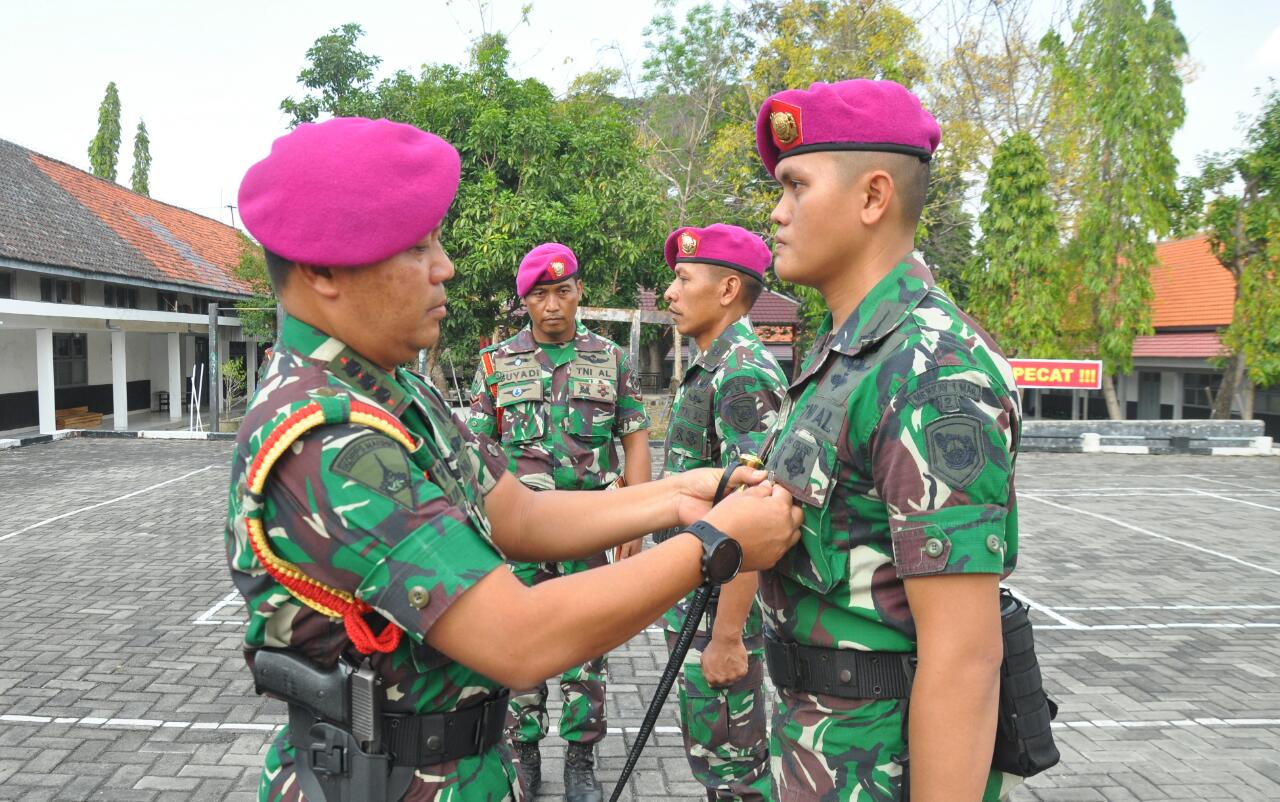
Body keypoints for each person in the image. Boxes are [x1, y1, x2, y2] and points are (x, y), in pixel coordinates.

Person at [224, 116, 804, 802]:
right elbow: (520, 638)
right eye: (418, 247)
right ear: (322, 269)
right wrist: (715, 543)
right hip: (380, 780)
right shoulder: (325, 440)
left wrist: (683, 493)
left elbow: (519, 513)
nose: (446, 267)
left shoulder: (391, 388)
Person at [752, 80, 1023, 801]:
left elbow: (964, 659)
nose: (776, 213)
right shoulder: (854, 354)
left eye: (795, 186)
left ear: (873, 198)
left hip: (879, 771)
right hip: (823, 750)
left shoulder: (932, 370)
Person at [466, 242, 651, 801]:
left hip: (590, 530)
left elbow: (635, 439)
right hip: (518, 535)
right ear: (525, 300)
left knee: (586, 649)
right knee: (520, 642)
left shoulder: (611, 358)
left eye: (562, 291)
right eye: (540, 294)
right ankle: (523, 754)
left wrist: (635, 526)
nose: (552, 305)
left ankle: (580, 759)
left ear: (579, 293)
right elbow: (478, 447)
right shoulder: (496, 363)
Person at [657, 223, 787, 801]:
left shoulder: (741, 374)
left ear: (728, 288)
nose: (670, 292)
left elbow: (755, 511)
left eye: (684, 278)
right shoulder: (713, 365)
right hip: (699, 602)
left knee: (736, 773)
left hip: (720, 611)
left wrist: (729, 635)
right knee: (716, 764)